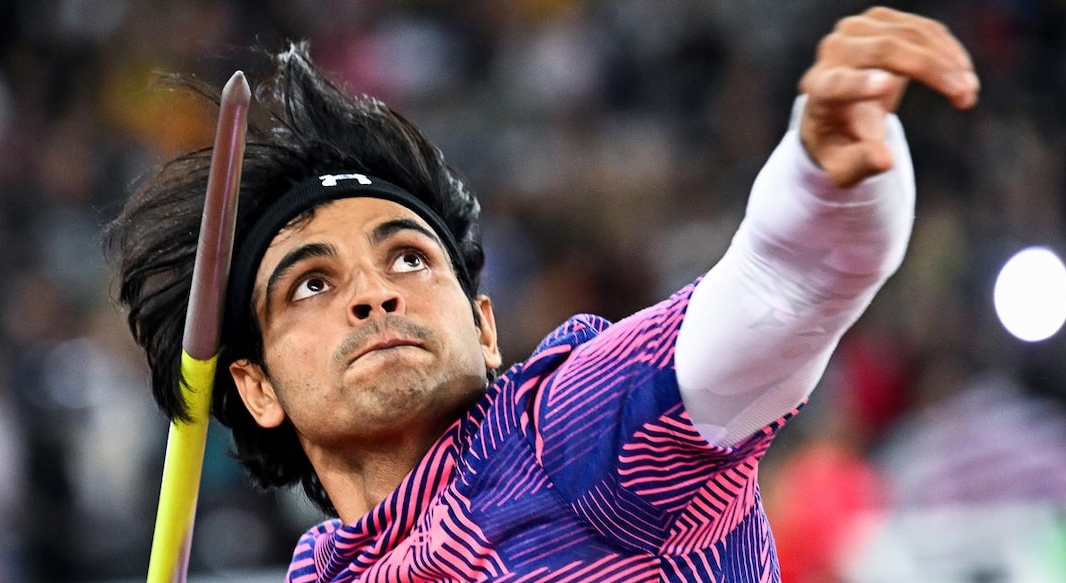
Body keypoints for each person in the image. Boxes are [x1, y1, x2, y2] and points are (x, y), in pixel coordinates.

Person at [105, 6, 978, 580]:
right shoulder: (323, 569)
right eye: (312, 283)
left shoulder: (558, 438)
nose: (372, 294)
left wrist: (824, 189)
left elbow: (778, 291)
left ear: (484, 327)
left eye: (408, 259)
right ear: (255, 386)